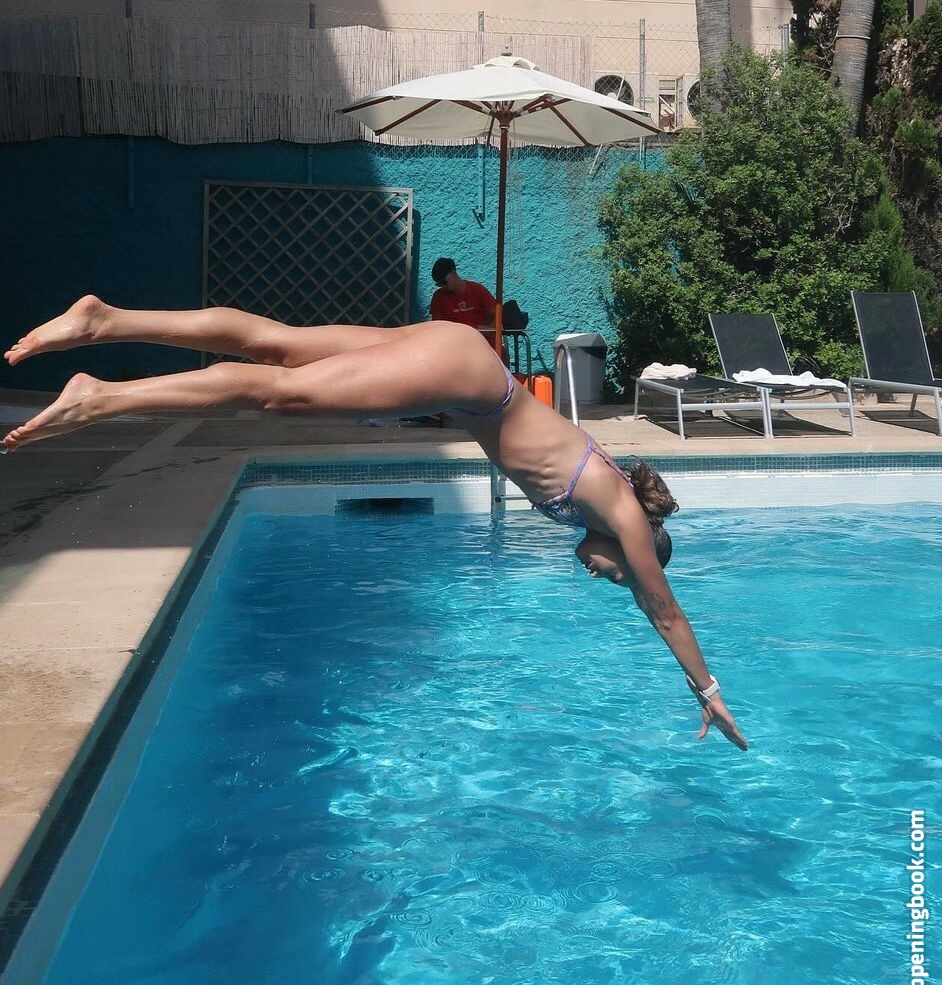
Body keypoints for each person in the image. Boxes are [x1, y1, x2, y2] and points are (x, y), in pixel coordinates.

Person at [2, 296, 748, 750]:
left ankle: (105, 321)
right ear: (636, 546)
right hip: (469, 381)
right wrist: (707, 690)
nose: (605, 575)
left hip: (465, 365)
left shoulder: (607, 493)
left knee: (277, 343)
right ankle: (103, 397)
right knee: (280, 392)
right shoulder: (624, 515)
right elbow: (663, 608)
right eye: (617, 572)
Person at [429, 258, 497, 331]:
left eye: (444, 282)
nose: (443, 286)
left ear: (453, 272)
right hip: (456, 336)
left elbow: (497, 314)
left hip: (479, 335)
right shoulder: (438, 298)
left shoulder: (477, 290)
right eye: (439, 285)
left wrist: (489, 329)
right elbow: (437, 327)